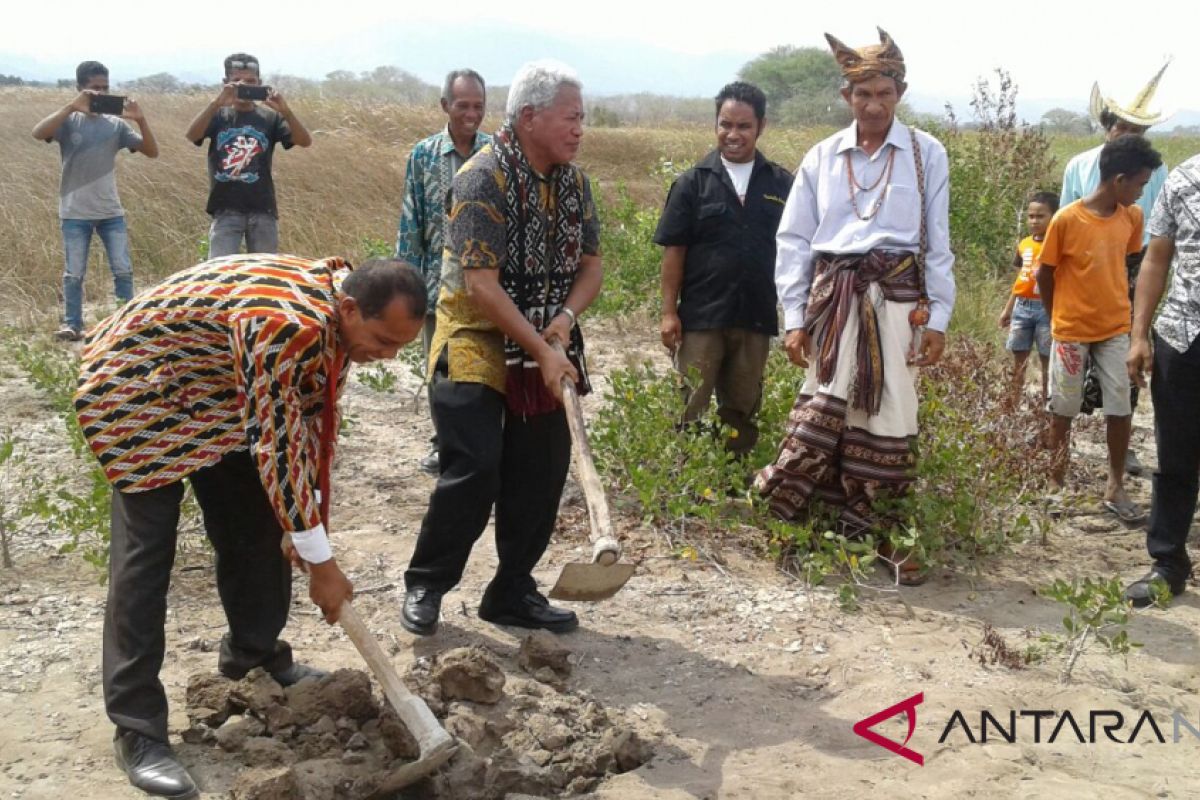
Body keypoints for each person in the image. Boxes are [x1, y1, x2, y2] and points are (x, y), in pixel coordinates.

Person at [75, 256, 426, 799]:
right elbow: (278, 442)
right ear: (351, 309)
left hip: (217, 391)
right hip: (138, 388)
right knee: (145, 559)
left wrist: (304, 529)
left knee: (259, 529)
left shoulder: (338, 308)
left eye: (401, 347)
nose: (386, 356)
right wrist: (322, 563)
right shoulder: (287, 325)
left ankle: (254, 659)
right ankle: (138, 731)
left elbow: (304, 424)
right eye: (383, 340)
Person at [400, 60, 602, 637]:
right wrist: (541, 348)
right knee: (475, 467)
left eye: (581, 119)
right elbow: (480, 286)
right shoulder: (481, 178)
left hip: (547, 337)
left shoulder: (574, 183)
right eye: (571, 118)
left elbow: (592, 266)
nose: (579, 129)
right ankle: (427, 582)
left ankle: (511, 589)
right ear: (531, 117)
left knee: (540, 471)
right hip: (473, 336)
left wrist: (561, 323)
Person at [755, 28, 955, 585]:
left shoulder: (925, 154)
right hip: (834, 303)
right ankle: (799, 523)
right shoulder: (822, 156)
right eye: (862, 94)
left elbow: (937, 241)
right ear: (846, 97)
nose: (873, 105)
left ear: (901, 93)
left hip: (896, 303)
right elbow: (794, 242)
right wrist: (794, 319)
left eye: (884, 93)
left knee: (891, 413)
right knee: (823, 410)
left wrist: (937, 317)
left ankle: (885, 536)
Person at [654, 81, 794, 457]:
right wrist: (669, 313)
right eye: (725, 124)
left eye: (743, 126)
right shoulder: (692, 183)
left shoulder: (782, 184)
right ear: (715, 124)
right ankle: (684, 486)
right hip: (702, 316)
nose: (733, 134)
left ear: (761, 126)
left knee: (742, 408)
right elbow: (674, 252)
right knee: (689, 405)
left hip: (755, 317)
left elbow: (797, 250)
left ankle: (732, 483)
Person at [1037, 134, 1162, 524]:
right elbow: (1046, 272)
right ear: (1118, 180)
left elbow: (1128, 268)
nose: (1142, 192)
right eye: (1140, 184)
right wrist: (1057, 314)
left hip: (1114, 329)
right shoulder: (1067, 219)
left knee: (1120, 406)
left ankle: (1115, 485)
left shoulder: (1131, 218)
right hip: (1071, 330)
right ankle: (1055, 483)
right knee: (1064, 407)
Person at [1061, 62, 1171, 475]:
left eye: (1137, 131)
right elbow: (1066, 222)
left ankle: (1121, 451)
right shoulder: (1079, 165)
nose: (1129, 135)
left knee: (1129, 353)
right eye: (1123, 127)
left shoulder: (1154, 172)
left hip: (1134, 267)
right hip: (1085, 270)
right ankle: (1060, 451)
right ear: (1109, 126)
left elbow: (1157, 231)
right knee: (1072, 360)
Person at [396, 68, 491, 476]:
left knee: (486, 367)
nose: (471, 114)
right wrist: (406, 287)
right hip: (437, 286)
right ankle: (444, 444)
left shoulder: (498, 151)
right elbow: (410, 223)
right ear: (445, 106)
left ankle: (483, 441)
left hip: (489, 285)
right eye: (463, 105)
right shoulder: (423, 156)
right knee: (441, 370)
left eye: (478, 106)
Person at [31, 60, 159, 341]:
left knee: (123, 270)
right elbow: (38, 132)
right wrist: (72, 107)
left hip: (110, 210)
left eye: (105, 88)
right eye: (94, 89)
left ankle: (124, 324)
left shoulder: (115, 125)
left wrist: (140, 119)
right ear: (80, 89)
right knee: (74, 273)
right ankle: (72, 324)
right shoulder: (68, 122)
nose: (101, 93)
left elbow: (152, 152)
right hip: (75, 211)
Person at [1124, 151, 1200, 607]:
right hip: (1182, 334)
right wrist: (1138, 335)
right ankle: (1168, 564)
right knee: (1174, 457)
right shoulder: (1184, 178)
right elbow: (1156, 260)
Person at [185, 53, 312, 258]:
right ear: (225, 83)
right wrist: (216, 103)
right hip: (225, 208)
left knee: (264, 274)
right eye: (236, 82)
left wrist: (286, 112)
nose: (243, 87)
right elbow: (192, 135)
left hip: (262, 209)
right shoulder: (218, 115)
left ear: (260, 84)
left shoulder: (270, 117)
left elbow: (305, 141)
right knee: (220, 272)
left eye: (250, 82)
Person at [998, 192, 1058, 411]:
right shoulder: (1024, 244)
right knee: (1019, 358)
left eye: (1040, 216)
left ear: (1054, 216)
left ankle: (1045, 408)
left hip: (1046, 308)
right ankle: (1012, 406)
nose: (1034, 221)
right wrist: (1007, 309)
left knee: (1046, 360)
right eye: (1031, 216)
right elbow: (1021, 278)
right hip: (1022, 307)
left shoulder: (1057, 245)